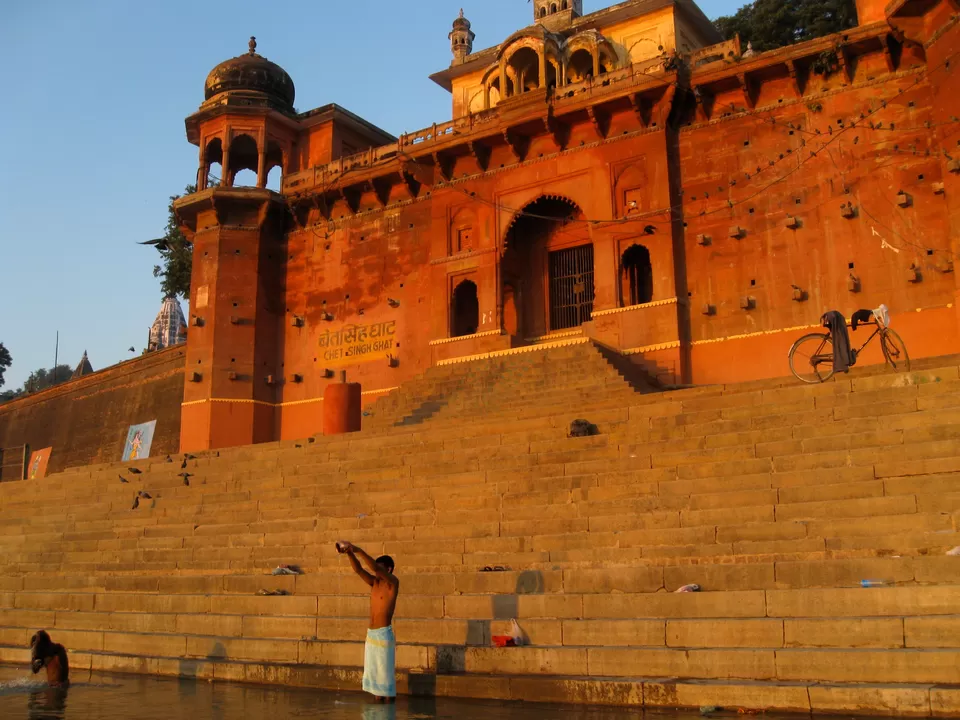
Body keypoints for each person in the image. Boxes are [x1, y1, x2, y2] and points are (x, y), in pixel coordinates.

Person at [337, 541, 399, 704]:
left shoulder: (393, 583)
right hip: (371, 636)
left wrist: (358, 549)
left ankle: (389, 713)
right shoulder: (374, 583)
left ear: (388, 570)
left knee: (386, 686)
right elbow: (358, 570)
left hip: (384, 635)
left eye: (380, 568)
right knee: (376, 690)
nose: (376, 571)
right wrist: (349, 553)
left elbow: (375, 568)